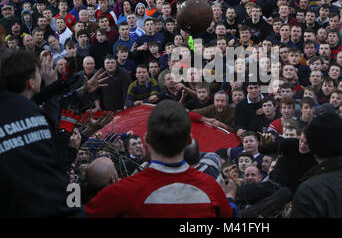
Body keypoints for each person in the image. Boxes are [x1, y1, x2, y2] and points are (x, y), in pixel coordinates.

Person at [84, 100, 234, 217]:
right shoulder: (212, 188)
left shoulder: (122, 192)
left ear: (146, 140)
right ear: (189, 140)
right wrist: (229, 199)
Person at [0, 51, 85, 217]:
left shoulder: (19, 106)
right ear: (31, 83)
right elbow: (52, 128)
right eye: (38, 73)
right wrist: (72, 151)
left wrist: (56, 85)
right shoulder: (31, 113)